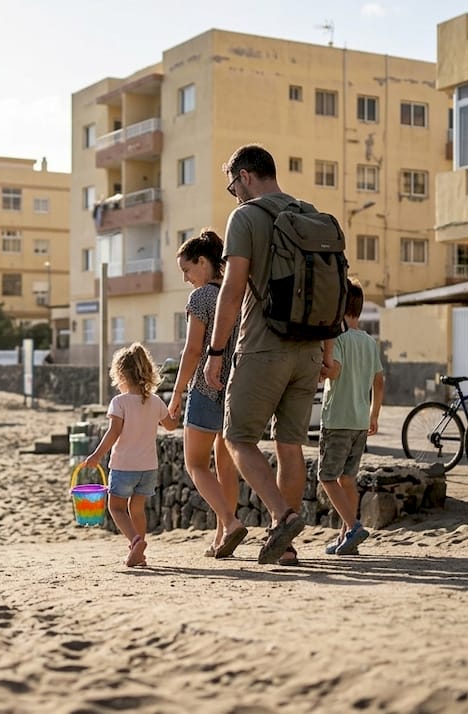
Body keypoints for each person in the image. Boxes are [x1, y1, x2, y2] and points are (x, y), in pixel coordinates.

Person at [203, 144, 329, 565]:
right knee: (289, 445)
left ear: (245, 176)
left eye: (232, 186)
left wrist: (216, 351)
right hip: (309, 348)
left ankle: (283, 516)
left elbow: (232, 288)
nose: (233, 194)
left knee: (237, 438)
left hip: (263, 345)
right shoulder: (309, 212)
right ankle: (285, 547)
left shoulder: (246, 216)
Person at [167, 229, 248, 559]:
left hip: (205, 388)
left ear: (203, 262)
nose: (185, 279)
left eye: (187, 270)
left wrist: (176, 393)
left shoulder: (201, 298)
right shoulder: (237, 294)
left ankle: (229, 522)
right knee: (225, 467)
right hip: (236, 389)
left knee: (196, 464)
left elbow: (192, 350)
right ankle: (220, 537)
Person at [83, 343, 180, 568]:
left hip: (124, 466)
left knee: (116, 508)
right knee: (136, 509)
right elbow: (170, 426)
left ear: (121, 375)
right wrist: (176, 412)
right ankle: (139, 553)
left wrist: (96, 455)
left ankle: (135, 541)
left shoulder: (120, 402)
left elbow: (114, 432)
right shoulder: (155, 401)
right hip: (148, 468)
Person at [318, 279, 384, 556]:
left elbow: (334, 371)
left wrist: (320, 369)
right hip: (359, 421)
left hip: (337, 419)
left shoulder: (338, 339)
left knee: (326, 477)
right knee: (348, 479)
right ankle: (347, 537)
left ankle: (353, 526)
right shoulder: (369, 342)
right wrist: (374, 415)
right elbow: (379, 381)